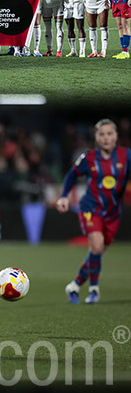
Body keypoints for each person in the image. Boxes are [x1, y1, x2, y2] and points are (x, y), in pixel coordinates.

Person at [56, 118, 131, 304]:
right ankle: (94, 290)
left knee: (96, 254)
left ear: (116, 136)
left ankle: (74, 286)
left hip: (113, 213)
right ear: (96, 138)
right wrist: (64, 195)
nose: (106, 138)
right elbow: (72, 175)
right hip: (91, 209)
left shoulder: (126, 156)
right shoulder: (89, 158)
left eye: (109, 134)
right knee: (96, 247)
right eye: (101, 134)